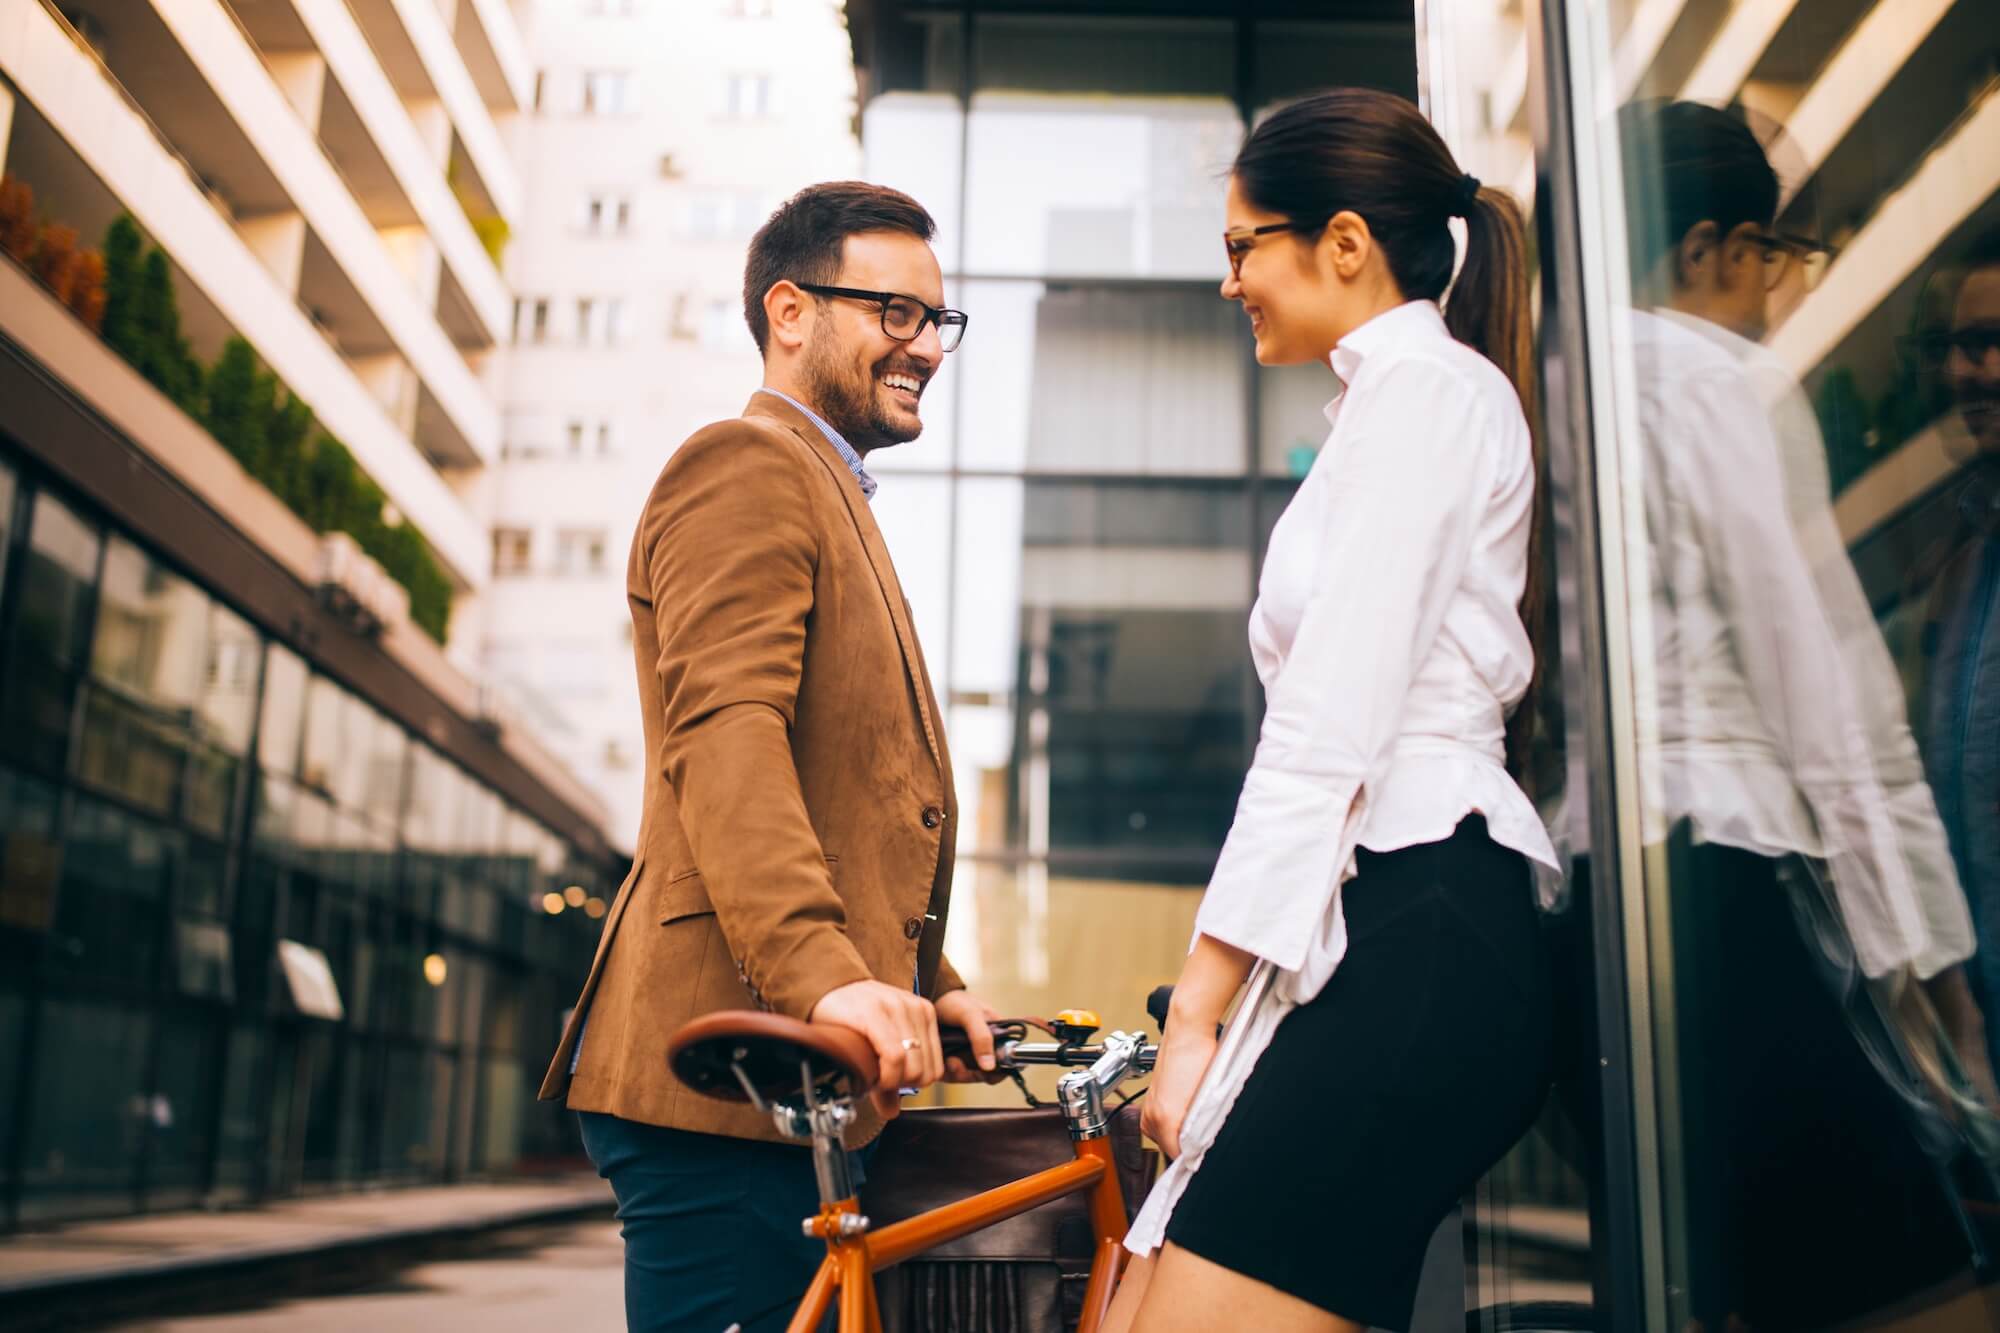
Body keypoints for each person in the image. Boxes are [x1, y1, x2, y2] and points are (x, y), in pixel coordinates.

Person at [1105, 88, 1562, 1333]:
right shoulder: (1396, 401)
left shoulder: (1426, 394)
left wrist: (1193, 1012)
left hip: (1420, 918)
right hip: (1384, 916)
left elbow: (1324, 725)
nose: (1229, 282)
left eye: (1241, 245)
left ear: (1344, 242)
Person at [536, 181, 1001, 1333]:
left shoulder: (833, 491)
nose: (925, 347)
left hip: (789, 1080)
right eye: (895, 312)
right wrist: (824, 975)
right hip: (729, 1084)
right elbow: (726, 737)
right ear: (789, 312)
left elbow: (850, 795)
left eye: (936, 320)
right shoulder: (745, 466)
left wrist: (928, 986)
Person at [1614, 99, 1986, 1329]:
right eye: (1772, 260)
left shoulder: (1557, 381)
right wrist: (1926, 963)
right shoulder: (1710, 377)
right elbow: (1823, 696)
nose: (1773, 296)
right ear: (1711, 246)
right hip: (1724, 879)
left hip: (1611, 885)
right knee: (1923, 1295)